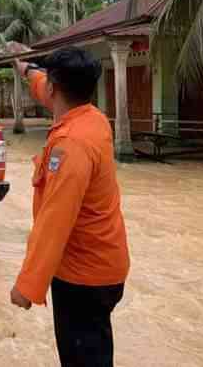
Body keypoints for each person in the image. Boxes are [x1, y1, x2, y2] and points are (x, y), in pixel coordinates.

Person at [7, 44, 130, 367]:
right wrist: (25, 66)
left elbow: (55, 221)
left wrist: (28, 285)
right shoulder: (94, 118)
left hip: (83, 279)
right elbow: (46, 89)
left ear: (55, 86)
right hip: (105, 265)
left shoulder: (70, 146)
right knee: (96, 348)